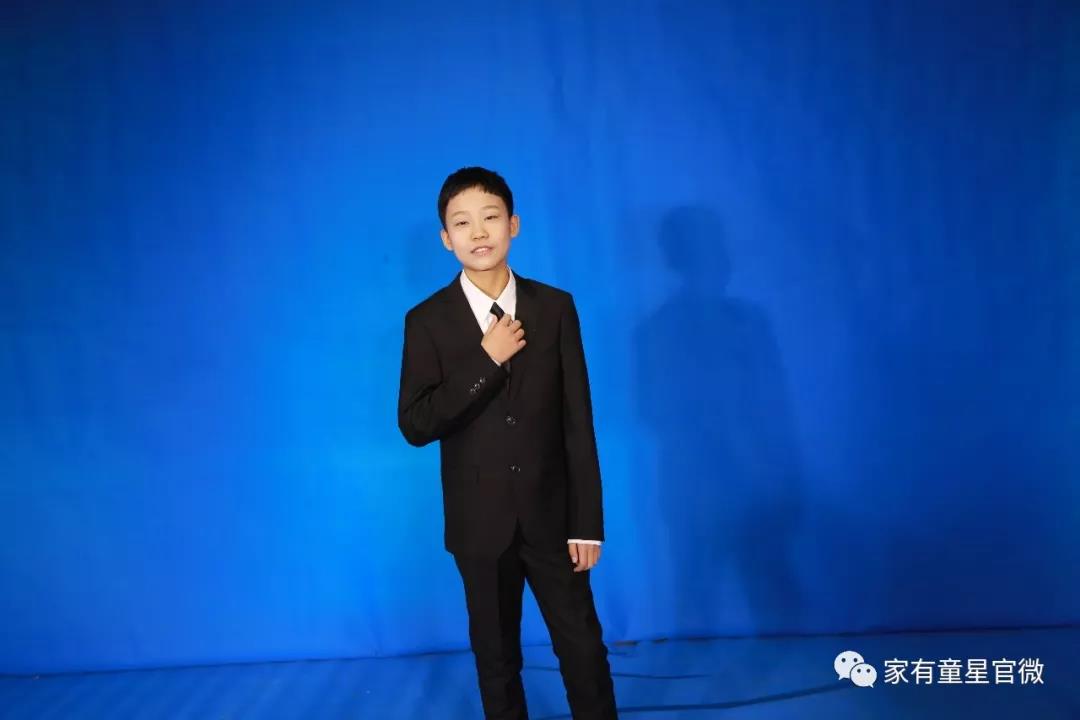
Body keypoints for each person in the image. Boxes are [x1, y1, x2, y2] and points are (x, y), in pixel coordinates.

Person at [397, 166, 618, 719]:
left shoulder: (555, 308)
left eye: (490, 217)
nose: (478, 232)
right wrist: (486, 360)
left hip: (554, 519)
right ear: (445, 238)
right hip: (479, 525)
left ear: (513, 225)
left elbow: (578, 421)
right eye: (462, 223)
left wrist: (586, 522)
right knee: (496, 658)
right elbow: (416, 424)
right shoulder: (426, 321)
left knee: (583, 648)